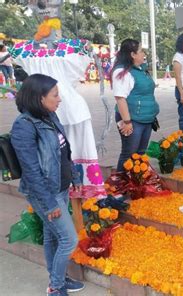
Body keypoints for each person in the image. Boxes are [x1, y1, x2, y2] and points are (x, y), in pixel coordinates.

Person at [11, 74, 85, 296]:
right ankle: (55, 285)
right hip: (45, 194)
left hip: (60, 187)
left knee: (53, 236)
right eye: (55, 95)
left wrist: (75, 178)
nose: (59, 99)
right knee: (69, 240)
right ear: (39, 97)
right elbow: (31, 171)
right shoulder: (24, 126)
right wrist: (49, 203)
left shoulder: (49, 116)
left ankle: (59, 278)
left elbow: (65, 152)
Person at [111, 38, 159, 171]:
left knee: (141, 153)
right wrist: (127, 121)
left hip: (146, 119)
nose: (144, 54)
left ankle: (136, 184)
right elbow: (120, 98)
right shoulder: (122, 72)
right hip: (132, 120)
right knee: (129, 154)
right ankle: (119, 187)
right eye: (141, 51)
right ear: (132, 54)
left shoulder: (141, 70)